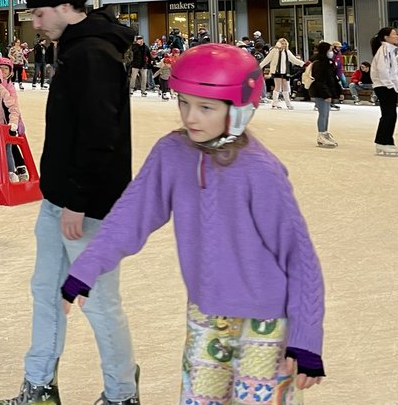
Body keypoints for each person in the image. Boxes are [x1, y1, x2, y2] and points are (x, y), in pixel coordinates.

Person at [61, 43, 326, 401]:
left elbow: (299, 256)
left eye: (205, 107)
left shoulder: (260, 171)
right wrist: (84, 271)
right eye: (183, 102)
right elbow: (130, 215)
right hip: (206, 314)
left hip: (266, 323)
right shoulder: (172, 153)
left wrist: (306, 339)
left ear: (239, 111)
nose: (190, 117)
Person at [0, 0, 138, 405]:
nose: (34, 24)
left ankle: (121, 394)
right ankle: (38, 385)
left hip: (86, 206)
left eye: (38, 14)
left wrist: (77, 198)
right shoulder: (76, 49)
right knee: (47, 291)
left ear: (64, 7)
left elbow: (99, 135)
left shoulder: (93, 54)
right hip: (61, 199)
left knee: (97, 300)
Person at [370, 26, 398, 156]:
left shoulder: (389, 50)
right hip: (384, 87)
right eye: (394, 34)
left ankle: (388, 141)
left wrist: (396, 85)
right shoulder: (384, 50)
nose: (397, 36)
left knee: (391, 115)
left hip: (388, 87)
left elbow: (393, 70)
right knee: (388, 115)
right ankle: (382, 142)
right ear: (386, 37)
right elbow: (383, 69)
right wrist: (390, 85)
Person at [305, 41, 342, 149]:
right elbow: (320, 81)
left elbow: (331, 78)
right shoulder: (319, 63)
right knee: (323, 113)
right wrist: (326, 94)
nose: (332, 52)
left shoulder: (328, 62)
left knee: (326, 113)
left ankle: (325, 132)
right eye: (330, 50)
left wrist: (335, 92)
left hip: (326, 91)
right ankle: (321, 134)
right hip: (320, 92)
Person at [260, 38, 303, 109]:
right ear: (278, 43)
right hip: (277, 71)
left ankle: (288, 102)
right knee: (278, 86)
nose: (284, 45)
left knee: (286, 86)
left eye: (285, 44)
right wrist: (259, 66)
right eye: (282, 43)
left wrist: (302, 63)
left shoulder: (287, 52)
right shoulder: (274, 51)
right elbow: (267, 59)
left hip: (285, 71)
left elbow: (294, 60)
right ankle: (275, 102)